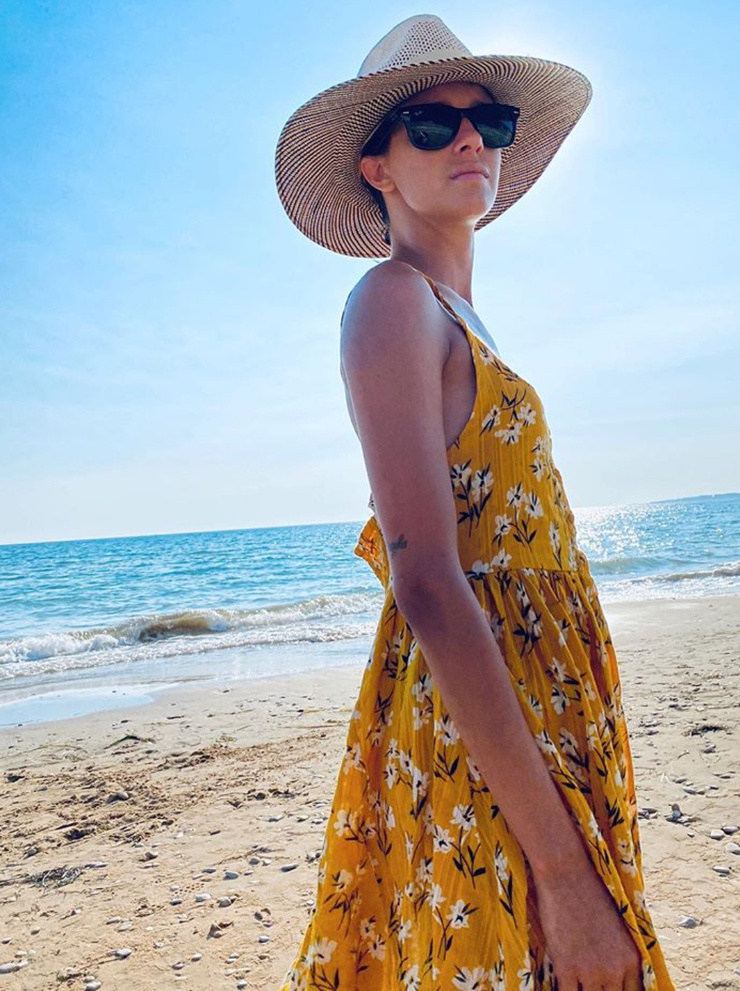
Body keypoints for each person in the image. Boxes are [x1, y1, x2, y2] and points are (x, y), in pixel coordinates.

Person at [274, 14, 676, 991]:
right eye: (431, 123)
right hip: (486, 741)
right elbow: (428, 584)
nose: (467, 139)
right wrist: (561, 872)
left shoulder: (459, 317)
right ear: (377, 168)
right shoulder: (392, 300)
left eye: (487, 122)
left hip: (536, 720)